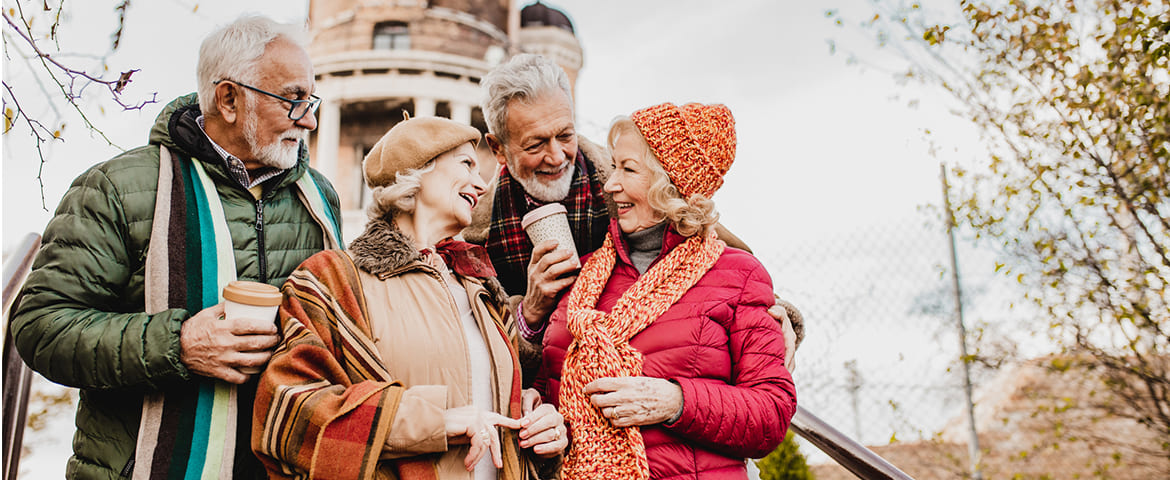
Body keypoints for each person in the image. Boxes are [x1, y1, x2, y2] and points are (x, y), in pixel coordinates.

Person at [9, 15, 342, 480]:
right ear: (228, 99)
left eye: (311, 99)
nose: (309, 119)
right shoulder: (117, 187)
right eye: (293, 99)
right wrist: (179, 345)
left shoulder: (319, 197)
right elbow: (41, 328)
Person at [253, 115, 568, 480]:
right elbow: (287, 410)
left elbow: (493, 403)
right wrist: (435, 422)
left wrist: (537, 423)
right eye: (466, 164)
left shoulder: (482, 287)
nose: (482, 184)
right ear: (416, 169)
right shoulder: (333, 279)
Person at [463, 54, 803, 372]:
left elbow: (719, 254)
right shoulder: (473, 230)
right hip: (543, 407)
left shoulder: (629, 182)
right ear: (498, 149)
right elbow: (470, 349)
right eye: (535, 144)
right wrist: (530, 312)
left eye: (565, 135)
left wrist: (775, 314)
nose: (557, 156)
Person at [535, 102, 797, 479]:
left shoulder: (737, 274)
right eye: (613, 168)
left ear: (669, 183)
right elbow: (548, 389)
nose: (610, 185)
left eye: (628, 169)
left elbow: (771, 414)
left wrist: (676, 401)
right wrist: (540, 411)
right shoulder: (581, 279)